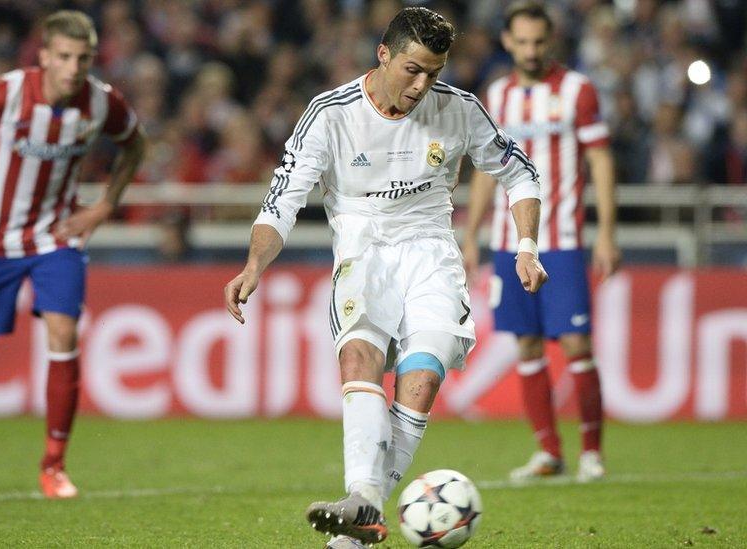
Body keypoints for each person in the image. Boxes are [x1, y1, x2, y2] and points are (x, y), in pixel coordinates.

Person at [223, 7, 546, 548]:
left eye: (435, 72)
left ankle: (360, 514)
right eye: (413, 69)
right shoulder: (330, 113)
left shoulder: (459, 110)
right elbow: (282, 201)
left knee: (420, 383)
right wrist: (255, 264)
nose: (423, 84)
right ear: (383, 55)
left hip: (431, 253)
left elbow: (520, 172)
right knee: (360, 358)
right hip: (362, 249)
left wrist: (527, 246)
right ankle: (363, 505)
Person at [0, 10, 145, 499]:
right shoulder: (5, 92)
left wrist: (103, 207)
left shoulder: (101, 102)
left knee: (64, 331)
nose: (75, 68)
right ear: (45, 56)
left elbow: (135, 146)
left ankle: (54, 464)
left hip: (56, 236)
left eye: (84, 58)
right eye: (66, 57)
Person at [463, 1, 619, 483]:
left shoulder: (577, 90)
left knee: (575, 342)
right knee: (527, 344)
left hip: (564, 238)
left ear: (549, 41)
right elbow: (489, 173)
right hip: (510, 242)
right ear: (508, 42)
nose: (530, 51)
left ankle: (591, 451)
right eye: (521, 42)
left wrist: (608, 232)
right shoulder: (497, 95)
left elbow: (600, 162)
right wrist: (471, 234)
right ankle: (549, 452)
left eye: (538, 42)